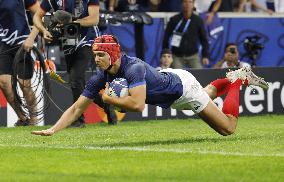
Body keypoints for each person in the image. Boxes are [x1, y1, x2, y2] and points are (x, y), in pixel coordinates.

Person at [31, 34, 269, 137]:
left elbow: (137, 105)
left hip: (182, 88)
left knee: (227, 128)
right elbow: (76, 108)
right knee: (207, 93)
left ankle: (237, 80)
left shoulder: (133, 68)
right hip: (172, 87)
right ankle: (235, 76)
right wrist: (53, 129)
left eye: (100, 54)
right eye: (94, 54)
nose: (96, 59)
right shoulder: (101, 76)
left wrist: (110, 100)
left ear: (113, 55)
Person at [33, 0, 117, 126]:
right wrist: (44, 30)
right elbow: (37, 16)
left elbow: (94, 20)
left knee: (76, 79)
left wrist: (72, 22)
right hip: (68, 41)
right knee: (77, 83)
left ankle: (78, 120)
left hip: (88, 40)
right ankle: (106, 106)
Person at [0, 0, 40, 126]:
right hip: (3, 43)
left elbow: (40, 15)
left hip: (24, 40)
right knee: (4, 82)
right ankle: (22, 118)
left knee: (24, 84)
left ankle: (34, 120)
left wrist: (31, 38)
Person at [162, 0, 209, 69]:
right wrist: (165, 54)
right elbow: (166, 37)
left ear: (193, 4)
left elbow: (204, 39)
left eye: (190, 2)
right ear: (182, 4)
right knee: (177, 76)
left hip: (193, 56)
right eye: (185, 2)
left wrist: (205, 56)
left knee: (200, 75)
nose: (187, 4)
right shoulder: (174, 20)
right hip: (177, 56)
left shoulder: (198, 20)